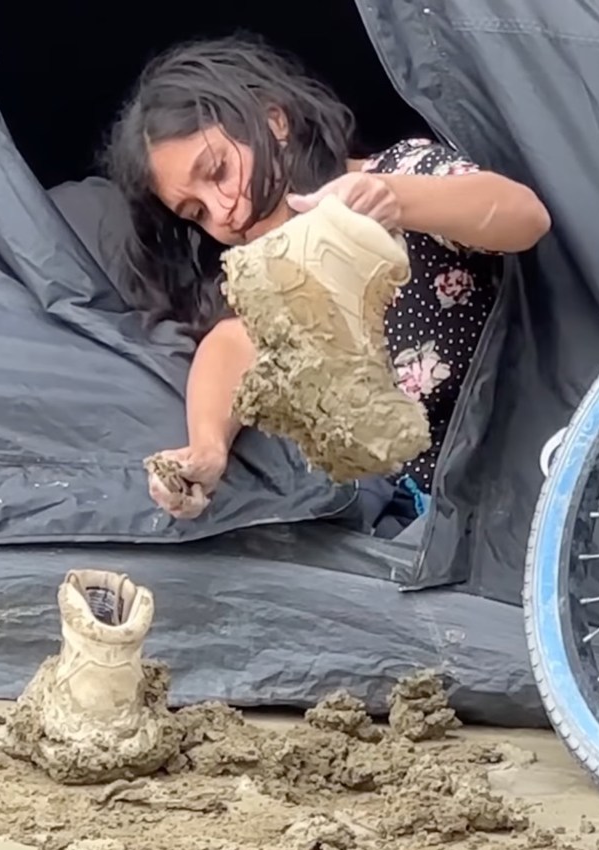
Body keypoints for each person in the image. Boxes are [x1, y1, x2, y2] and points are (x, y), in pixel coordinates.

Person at [106, 36, 551, 526]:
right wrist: (207, 449)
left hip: (533, 465)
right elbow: (232, 343)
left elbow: (524, 217)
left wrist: (394, 199)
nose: (223, 213)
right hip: (434, 522)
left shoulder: (401, 171)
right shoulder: (275, 275)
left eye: (218, 172)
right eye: (196, 213)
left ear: (275, 122)